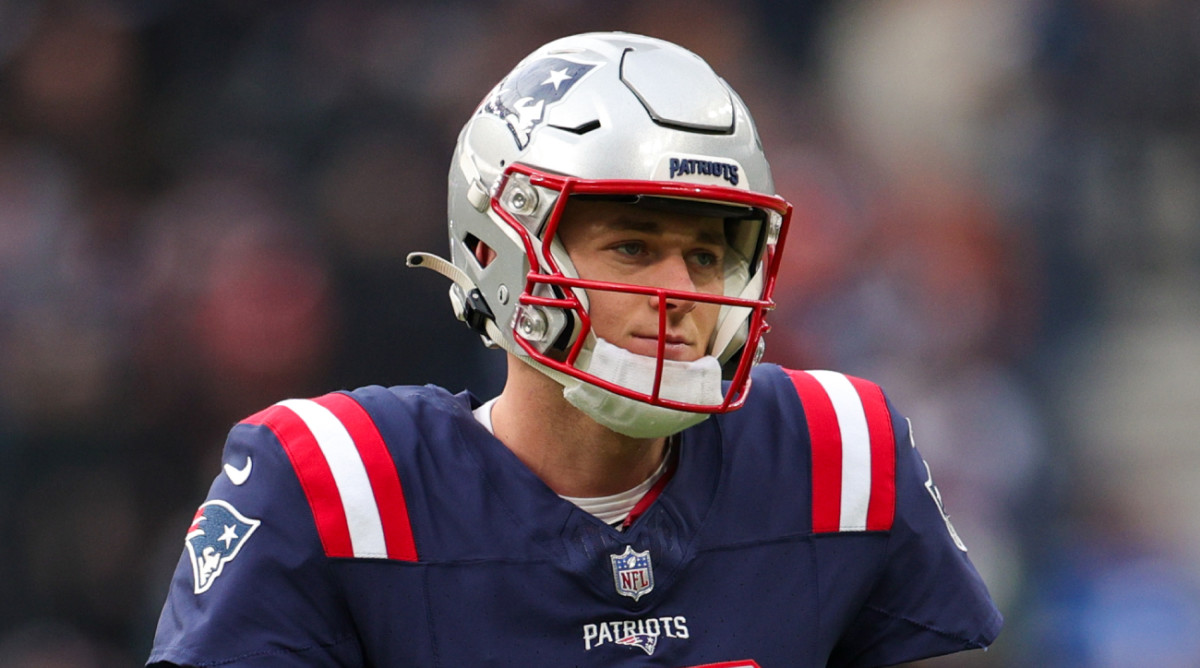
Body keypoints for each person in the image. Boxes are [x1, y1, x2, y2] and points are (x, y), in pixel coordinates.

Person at [147, 32, 1001, 667]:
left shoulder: (836, 455)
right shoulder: (334, 485)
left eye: (707, 256)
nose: (681, 293)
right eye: (631, 248)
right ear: (496, 248)